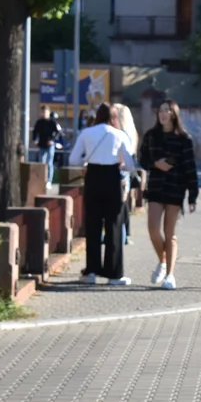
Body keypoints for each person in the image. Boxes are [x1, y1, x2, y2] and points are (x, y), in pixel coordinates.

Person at [68, 103, 136, 286]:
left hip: (93, 177)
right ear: (114, 117)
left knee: (93, 225)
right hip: (112, 178)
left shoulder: (86, 133)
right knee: (114, 225)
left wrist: (87, 160)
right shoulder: (120, 135)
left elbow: (73, 159)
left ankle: (91, 271)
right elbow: (130, 164)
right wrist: (120, 164)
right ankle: (114, 274)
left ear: (97, 115)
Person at [138, 100, 199, 290]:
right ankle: (162, 261)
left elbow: (190, 167)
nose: (163, 114)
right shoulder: (151, 135)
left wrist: (192, 195)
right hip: (156, 187)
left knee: (170, 233)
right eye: (160, 110)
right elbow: (142, 158)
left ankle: (170, 275)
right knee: (153, 229)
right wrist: (156, 164)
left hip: (175, 187)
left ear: (174, 114)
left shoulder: (184, 138)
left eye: (167, 111)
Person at [113, 103, 139, 246]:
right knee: (123, 206)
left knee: (120, 207)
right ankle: (125, 234)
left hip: (121, 172)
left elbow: (124, 156)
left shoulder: (122, 133)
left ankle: (122, 236)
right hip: (126, 173)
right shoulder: (131, 132)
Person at [32, 105, 61, 188]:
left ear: (48, 112)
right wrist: (35, 139)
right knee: (42, 162)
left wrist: (52, 140)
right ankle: (41, 179)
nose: (43, 114)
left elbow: (58, 133)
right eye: (42, 112)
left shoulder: (52, 122)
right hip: (42, 144)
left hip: (50, 145)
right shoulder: (39, 122)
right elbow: (35, 132)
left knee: (49, 163)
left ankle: (49, 181)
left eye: (44, 112)